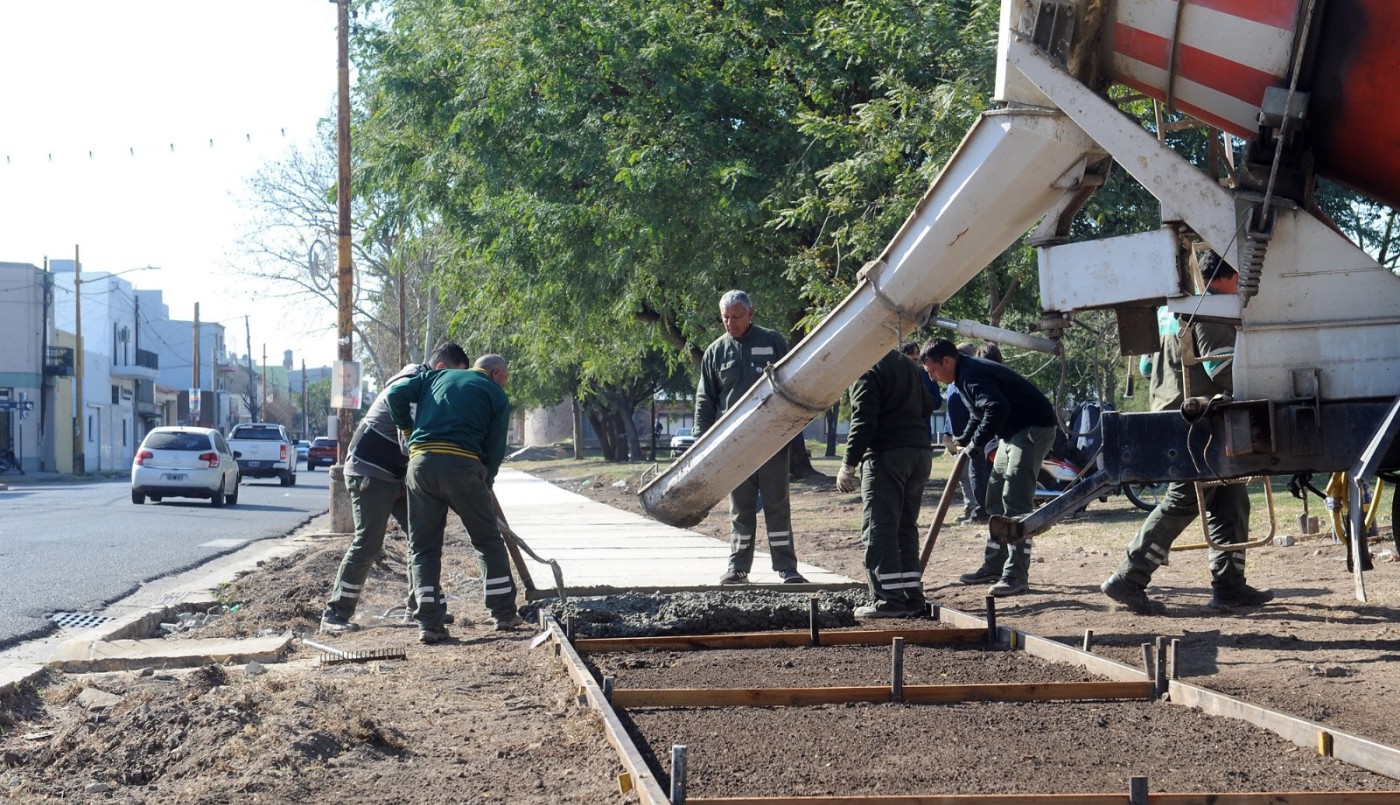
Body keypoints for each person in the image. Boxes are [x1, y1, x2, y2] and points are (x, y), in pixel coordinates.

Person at [1100, 252, 1273, 613]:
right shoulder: (1210, 308)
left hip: (1178, 416)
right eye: (1239, 278)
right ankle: (1129, 577)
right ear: (1227, 277)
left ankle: (1229, 586)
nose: (1242, 285)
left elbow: (1146, 367)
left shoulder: (1171, 313)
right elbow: (1220, 368)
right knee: (1184, 499)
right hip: (1196, 421)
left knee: (1231, 499)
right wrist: (1263, 383)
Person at [320, 343, 471, 634]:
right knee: (369, 542)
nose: (456, 385)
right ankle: (335, 613)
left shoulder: (426, 387)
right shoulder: (414, 385)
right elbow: (410, 443)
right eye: (455, 376)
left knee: (421, 536)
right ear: (441, 368)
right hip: (370, 471)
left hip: (394, 474)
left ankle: (423, 606)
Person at [386, 353, 523, 643]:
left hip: (420, 467)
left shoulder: (434, 377)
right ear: (495, 373)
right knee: (487, 540)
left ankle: (429, 623)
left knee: (423, 547)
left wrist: (408, 430)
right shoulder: (495, 395)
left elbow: (395, 393)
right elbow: (495, 449)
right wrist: (486, 481)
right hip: (462, 466)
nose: (505, 385)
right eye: (506, 379)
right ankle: (503, 614)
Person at [921, 338, 1057, 596]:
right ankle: (994, 565)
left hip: (1032, 429)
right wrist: (965, 439)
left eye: (932, 371)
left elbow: (997, 407)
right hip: (1011, 433)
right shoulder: (962, 376)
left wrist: (977, 443)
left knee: (1015, 501)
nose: (932, 377)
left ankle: (1016, 575)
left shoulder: (971, 374)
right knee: (994, 499)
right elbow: (979, 413)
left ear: (947, 361)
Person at [695, 289, 807, 585]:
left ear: (751, 314)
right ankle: (738, 567)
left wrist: (793, 432)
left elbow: (793, 384)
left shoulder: (773, 342)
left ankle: (787, 567)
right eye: (725, 318)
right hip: (734, 446)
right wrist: (699, 442)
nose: (730, 323)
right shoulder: (715, 352)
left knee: (777, 505)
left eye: (736, 317)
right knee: (741, 509)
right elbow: (705, 400)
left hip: (772, 441)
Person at [838, 348, 936, 617]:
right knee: (905, 528)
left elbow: (864, 418)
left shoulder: (866, 365)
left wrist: (848, 464)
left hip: (888, 457)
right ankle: (911, 597)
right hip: (919, 454)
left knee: (879, 529)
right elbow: (929, 405)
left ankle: (888, 601)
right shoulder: (905, 363)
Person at [941, 342, 990, 524]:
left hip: (974, 437)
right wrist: (947, 433)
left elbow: (976, 411)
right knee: (962, 476)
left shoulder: (970, 378)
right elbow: (950, 409)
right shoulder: (951, 382)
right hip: (957, 436)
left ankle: (979, 509)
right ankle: (970, 507)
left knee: (975, 474)